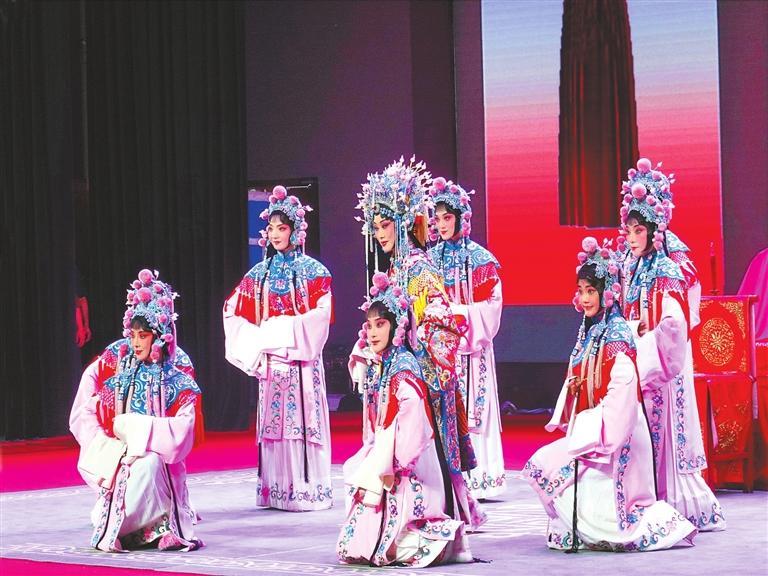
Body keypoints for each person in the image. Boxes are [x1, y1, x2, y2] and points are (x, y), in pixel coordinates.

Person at [523, 238, 697, 551]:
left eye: (591, 291)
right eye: (581, 291)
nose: (584, 298)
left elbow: (622, 398)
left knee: (560, 474)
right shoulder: (590, 329)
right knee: (543, 467)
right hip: (597, 430)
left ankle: (644, 524)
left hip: (617, 438)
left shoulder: (616, 334)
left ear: (606, 293)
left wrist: (593, 435)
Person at [353, 157, 485, 530]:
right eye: (375, 227)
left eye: (385, 225)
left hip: (420, 376)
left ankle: (434, 514)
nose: (380, 234)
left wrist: (410, 354)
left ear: (404, 222)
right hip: (400, 373)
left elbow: (441, 323)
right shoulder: (397, 268)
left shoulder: (418, 269)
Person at [618, 158, 725, 531]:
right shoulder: (631, 263)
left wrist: (647, 338)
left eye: (638, 230)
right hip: (641, 352)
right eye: (628, 229)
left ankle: (676, 500)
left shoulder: (669, 262)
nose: (632, 237)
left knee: (668, 425)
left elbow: (677, 319)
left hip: (665, 358)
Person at [337, 272, 472, 566]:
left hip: (408, 457)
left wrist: (398, 461)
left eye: (381, 324)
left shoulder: (403, 366)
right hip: (391, 447)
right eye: (369, 325)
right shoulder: (386, 361)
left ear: (397, 325)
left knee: (400, 532)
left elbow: (413, 415)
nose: (372, 333)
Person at [69, 269, 203, 552]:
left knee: (151, 463)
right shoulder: (121, 377)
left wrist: (138, 429)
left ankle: (156, 527)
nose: (136, 342)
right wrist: (112, 444)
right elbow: (91, 411)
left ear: (160, 337)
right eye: (133, 336)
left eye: (143, 335)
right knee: (138, 467)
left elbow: (183, 431)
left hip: (161, 462)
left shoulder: (177, 378)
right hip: (124, 459)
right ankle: (125, 524)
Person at [223, 185, 333, 511]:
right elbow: (231, 311)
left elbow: (322, 315)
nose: (275, 234)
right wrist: (260, 341)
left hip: (301, 362)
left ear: (295, 230)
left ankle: (306, 490)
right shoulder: (258, 275)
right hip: (273, 363)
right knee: (274, 426)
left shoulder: (315, 272)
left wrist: (283, 330)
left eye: (282, 228)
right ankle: (276, 490)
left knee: (302, 421)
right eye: (271, 228)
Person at [426, 178, 506, 499]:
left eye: (448, 217)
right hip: (441, 352)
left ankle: (481, 478)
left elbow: (492, 307)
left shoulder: (482, 260)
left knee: (475, 411)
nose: (442, 224)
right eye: (437, 218)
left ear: (461, 218)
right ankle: (450, 475)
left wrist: (457, 314)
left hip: (473, 351)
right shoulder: (429, 260)